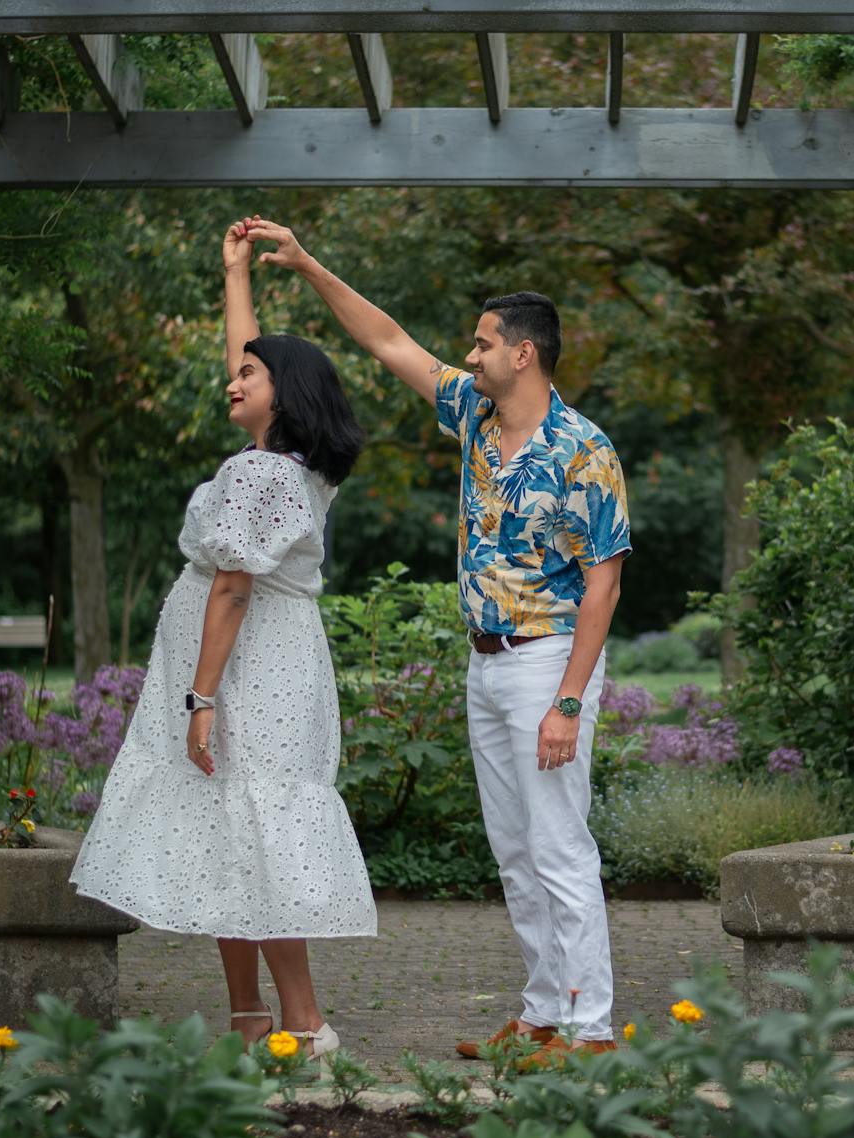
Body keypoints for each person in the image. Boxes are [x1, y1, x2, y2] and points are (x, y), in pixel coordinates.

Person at [242, 216, 630, 1062]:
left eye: (485, 342)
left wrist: (569, 698)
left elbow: (605, 580)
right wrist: (307, 264)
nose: (471, 352)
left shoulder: (586, 451)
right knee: (516, 852)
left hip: (548, 664)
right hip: (485, 663)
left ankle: (590, 1028)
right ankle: (539, 1013)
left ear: (523, 353)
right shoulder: (476, 418)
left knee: (561, 846)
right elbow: (386, 339)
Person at [69, 219, 375, 1059]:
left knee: (257, 836)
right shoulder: (295, 467)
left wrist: (200, 698)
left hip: (246, 672)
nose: (232, 380)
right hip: (273, 663)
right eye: (235, 371)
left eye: (248, 375)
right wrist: (234, 274)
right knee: (231, 836)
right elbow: (257, 358)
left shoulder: (260, 472)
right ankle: (249, 1023)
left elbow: (233, 587)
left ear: (288, 392)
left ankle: (303, 1024)